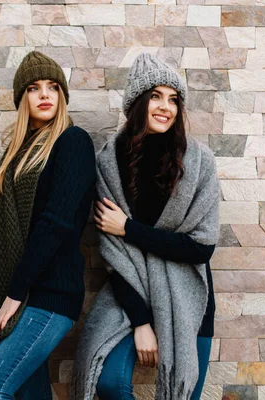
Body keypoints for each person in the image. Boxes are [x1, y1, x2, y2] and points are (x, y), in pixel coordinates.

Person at [72, 53, 220, 400]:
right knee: (108, 382)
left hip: (189, 299)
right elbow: (115, 256)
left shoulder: (199, 162)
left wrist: (130, 229)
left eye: (173, 99)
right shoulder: (109, 163)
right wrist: (141, 323)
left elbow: (200, 247)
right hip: (131, 291)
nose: (165, 107)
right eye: (156, 96)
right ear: (137, 102)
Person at [0, 51, 96, 399]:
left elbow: (55, 223)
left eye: (53, 87)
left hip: (49, 296)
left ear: (62, 96)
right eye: (34, 88)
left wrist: (15, 292)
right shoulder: (16, 153)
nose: (44, 94)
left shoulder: (73, 142)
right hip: (25, 296)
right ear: (21, 97)